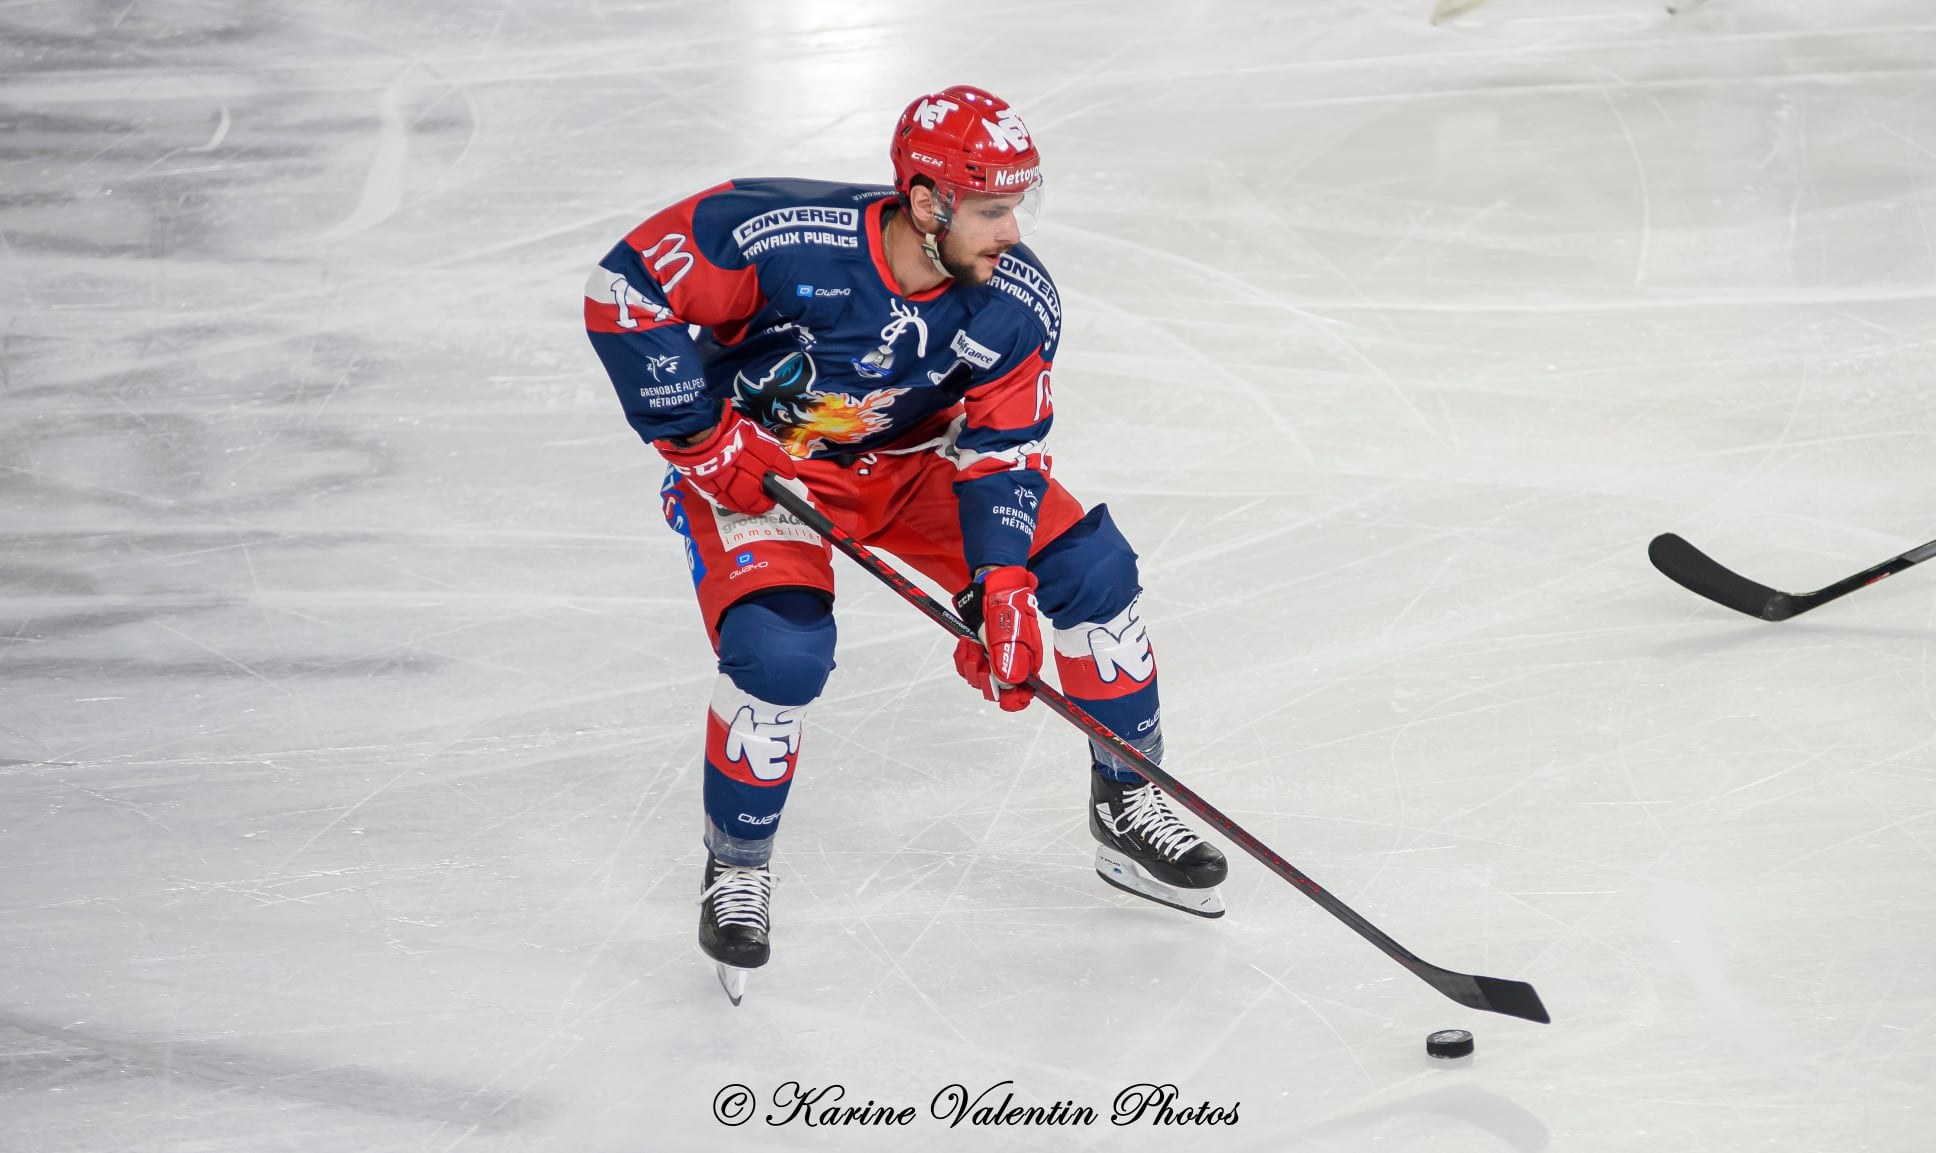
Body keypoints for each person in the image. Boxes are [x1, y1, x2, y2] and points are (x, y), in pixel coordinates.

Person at [583, 84, 1226, 1000]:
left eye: (1019, 206)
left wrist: (999, 584)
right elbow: (623, 288)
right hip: (767, 467)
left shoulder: (1013, 300)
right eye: (992, 209)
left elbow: (1005, 448)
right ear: (926, 200)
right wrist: (697, 434)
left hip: (916, 467)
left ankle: (1127, 798)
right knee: (780, 651)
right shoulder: (783, 237)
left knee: (1091, 567)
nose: (1013, 233)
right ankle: (736, 865)